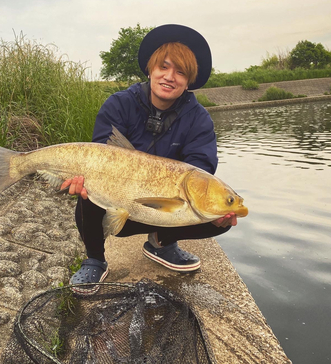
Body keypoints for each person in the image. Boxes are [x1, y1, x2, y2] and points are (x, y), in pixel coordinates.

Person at [63, 24, 238, 292]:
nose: (170, 77)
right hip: (116, 203)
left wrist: (212, 206)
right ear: (150, 69)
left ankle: (160, 243)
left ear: (189, 80)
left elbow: (202, 168)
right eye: (163, 67)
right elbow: (100, 155)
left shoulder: (199, 118)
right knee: (88, 190)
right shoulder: (118, 104)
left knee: (219, 215)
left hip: (164, 208)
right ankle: (95, 259)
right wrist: (81, 178)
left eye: (180, 72)